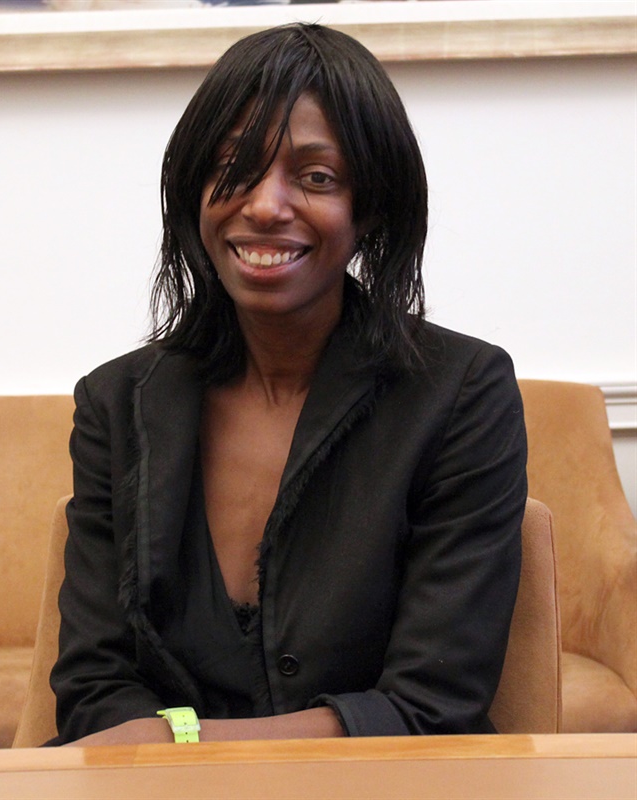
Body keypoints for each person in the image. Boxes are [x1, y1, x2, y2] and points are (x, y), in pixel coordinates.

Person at [51, 22, 527, 746]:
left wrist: (185, 745)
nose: (265, 205)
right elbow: (94, 687)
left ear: (371, 207)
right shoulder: (116, 403)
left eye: (316, 177)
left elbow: (431, 705)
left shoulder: (461, 393)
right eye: (233, 168)